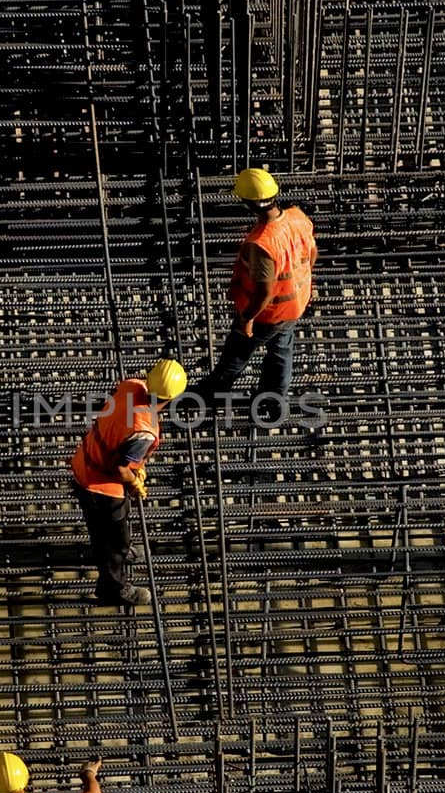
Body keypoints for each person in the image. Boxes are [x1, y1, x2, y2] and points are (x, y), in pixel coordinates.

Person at [192, 169, 317, 421]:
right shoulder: (298, 217)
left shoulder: (261, 243)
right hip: (295, 304)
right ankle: (273, 402)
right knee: (281, 353)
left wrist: (247, 319)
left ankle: (214, 393)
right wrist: (303, 286)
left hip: (267, 314)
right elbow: (312, 254)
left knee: (237, 352)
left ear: (248, 203)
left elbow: (264, 290)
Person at [71, 359, 187, 607]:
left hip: (85, 460)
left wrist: (137, 467)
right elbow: (120, 468)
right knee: (110, 540)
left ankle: (124, 549)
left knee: (112, 530)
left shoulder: (131, 385)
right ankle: (113, 588)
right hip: (101, 485)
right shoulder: (144, 430)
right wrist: (135, 482)